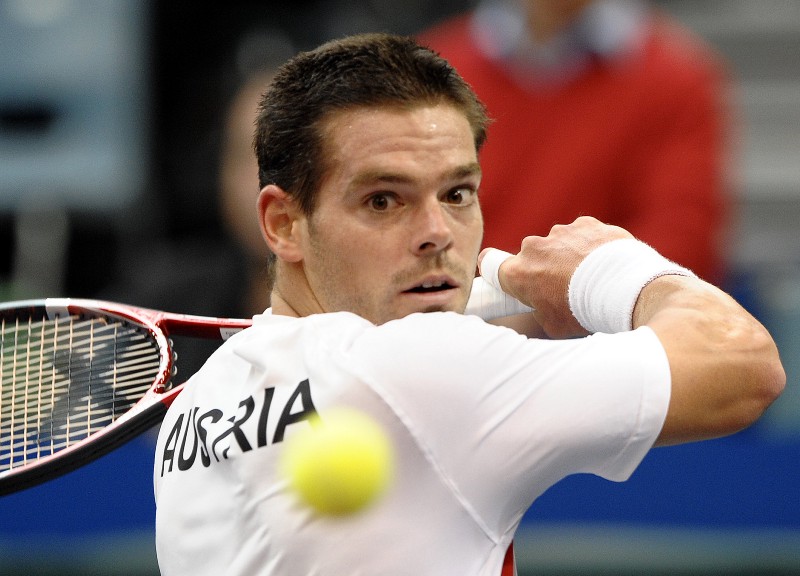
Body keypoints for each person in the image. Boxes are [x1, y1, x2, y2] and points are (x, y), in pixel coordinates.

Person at [152, 33, 783, 576]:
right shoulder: (423, 369)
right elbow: (744, 367)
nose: (437, 232)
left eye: (457, 193)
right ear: (285, 224)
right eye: (383, 201)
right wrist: (606, 268)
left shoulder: (199, 408)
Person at [417, 0, 733, 286]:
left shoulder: (676, 80)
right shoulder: (435, 67)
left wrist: (535, 305)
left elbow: (679, 247)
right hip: (453, 316)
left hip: (599, 331)